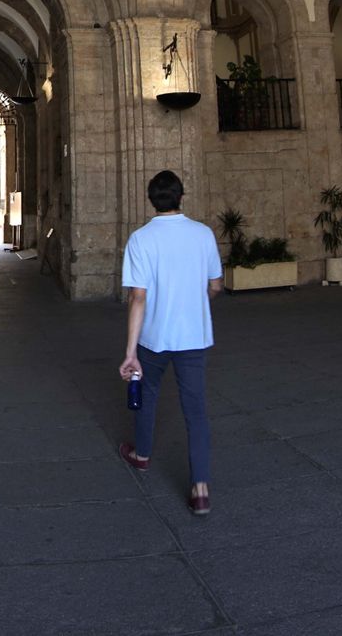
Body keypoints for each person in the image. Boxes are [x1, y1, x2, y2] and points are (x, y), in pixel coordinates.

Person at [117, 169, 223, 516]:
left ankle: (142, 455)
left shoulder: (140, 239)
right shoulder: (203, 234)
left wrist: (130, 352)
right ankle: (201, 487)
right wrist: (197, 298)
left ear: (151, 200)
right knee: (195, 410)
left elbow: (138, 297)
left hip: (153, 337)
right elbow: (216, 285)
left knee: (147, 396)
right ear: (182, 196)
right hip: (193, 336)